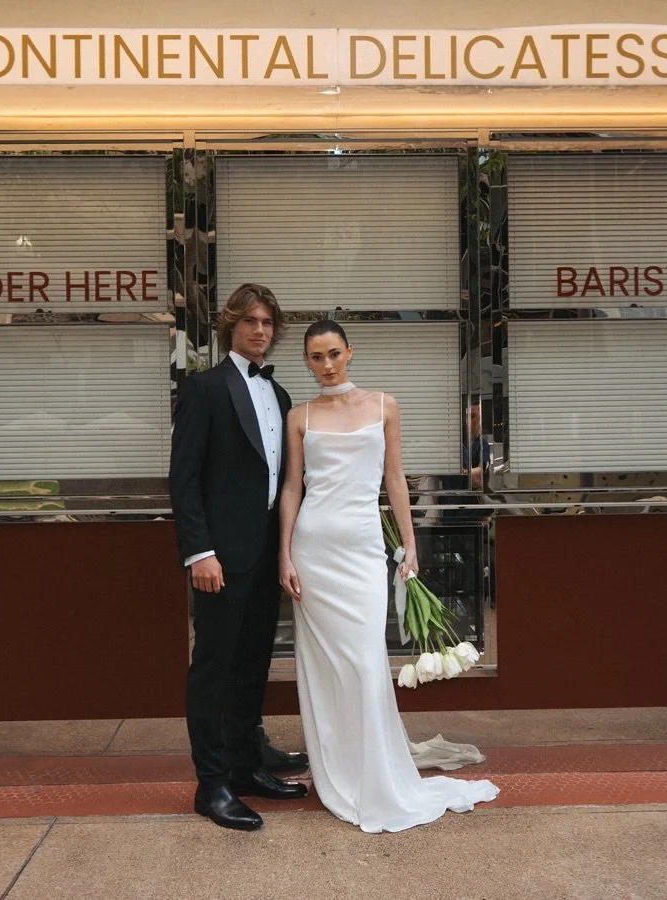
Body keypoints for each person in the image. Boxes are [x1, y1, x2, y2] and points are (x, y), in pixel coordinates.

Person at [278, 320, 499, 833]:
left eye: (333, 353)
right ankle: (339, 770)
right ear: (308, 362)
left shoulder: (384, 406)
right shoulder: (300, 416)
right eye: (315, 357)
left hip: (360, 551)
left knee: (365, 663)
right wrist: (284, 554)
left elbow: (395, 478)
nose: (326, 364)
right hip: (313, 550)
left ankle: (376, 775)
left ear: (350, 353)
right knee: (325, 670)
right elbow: (292, 488)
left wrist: (410, 545)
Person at [168, 283, 309, 831]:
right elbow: (184, 481)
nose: (260, 330)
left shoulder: (279, 396)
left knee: (253, 667)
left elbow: (284, 481)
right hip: (219, 561)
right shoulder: (205, 389)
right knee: (213, 672)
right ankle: (211, 785)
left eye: (268, 323)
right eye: (250, 321)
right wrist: (199, 551)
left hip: (265, 557)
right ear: (231, 325)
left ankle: (247, 768)